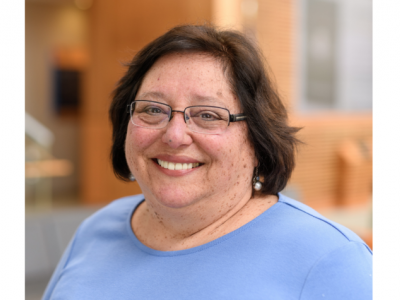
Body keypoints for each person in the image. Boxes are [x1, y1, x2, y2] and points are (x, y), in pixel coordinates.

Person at [43, 24, 372, 299]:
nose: (174, 136)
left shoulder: (331, 260)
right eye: (153, 109)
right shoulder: (96, 229)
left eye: (207, 115)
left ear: (258, 139)